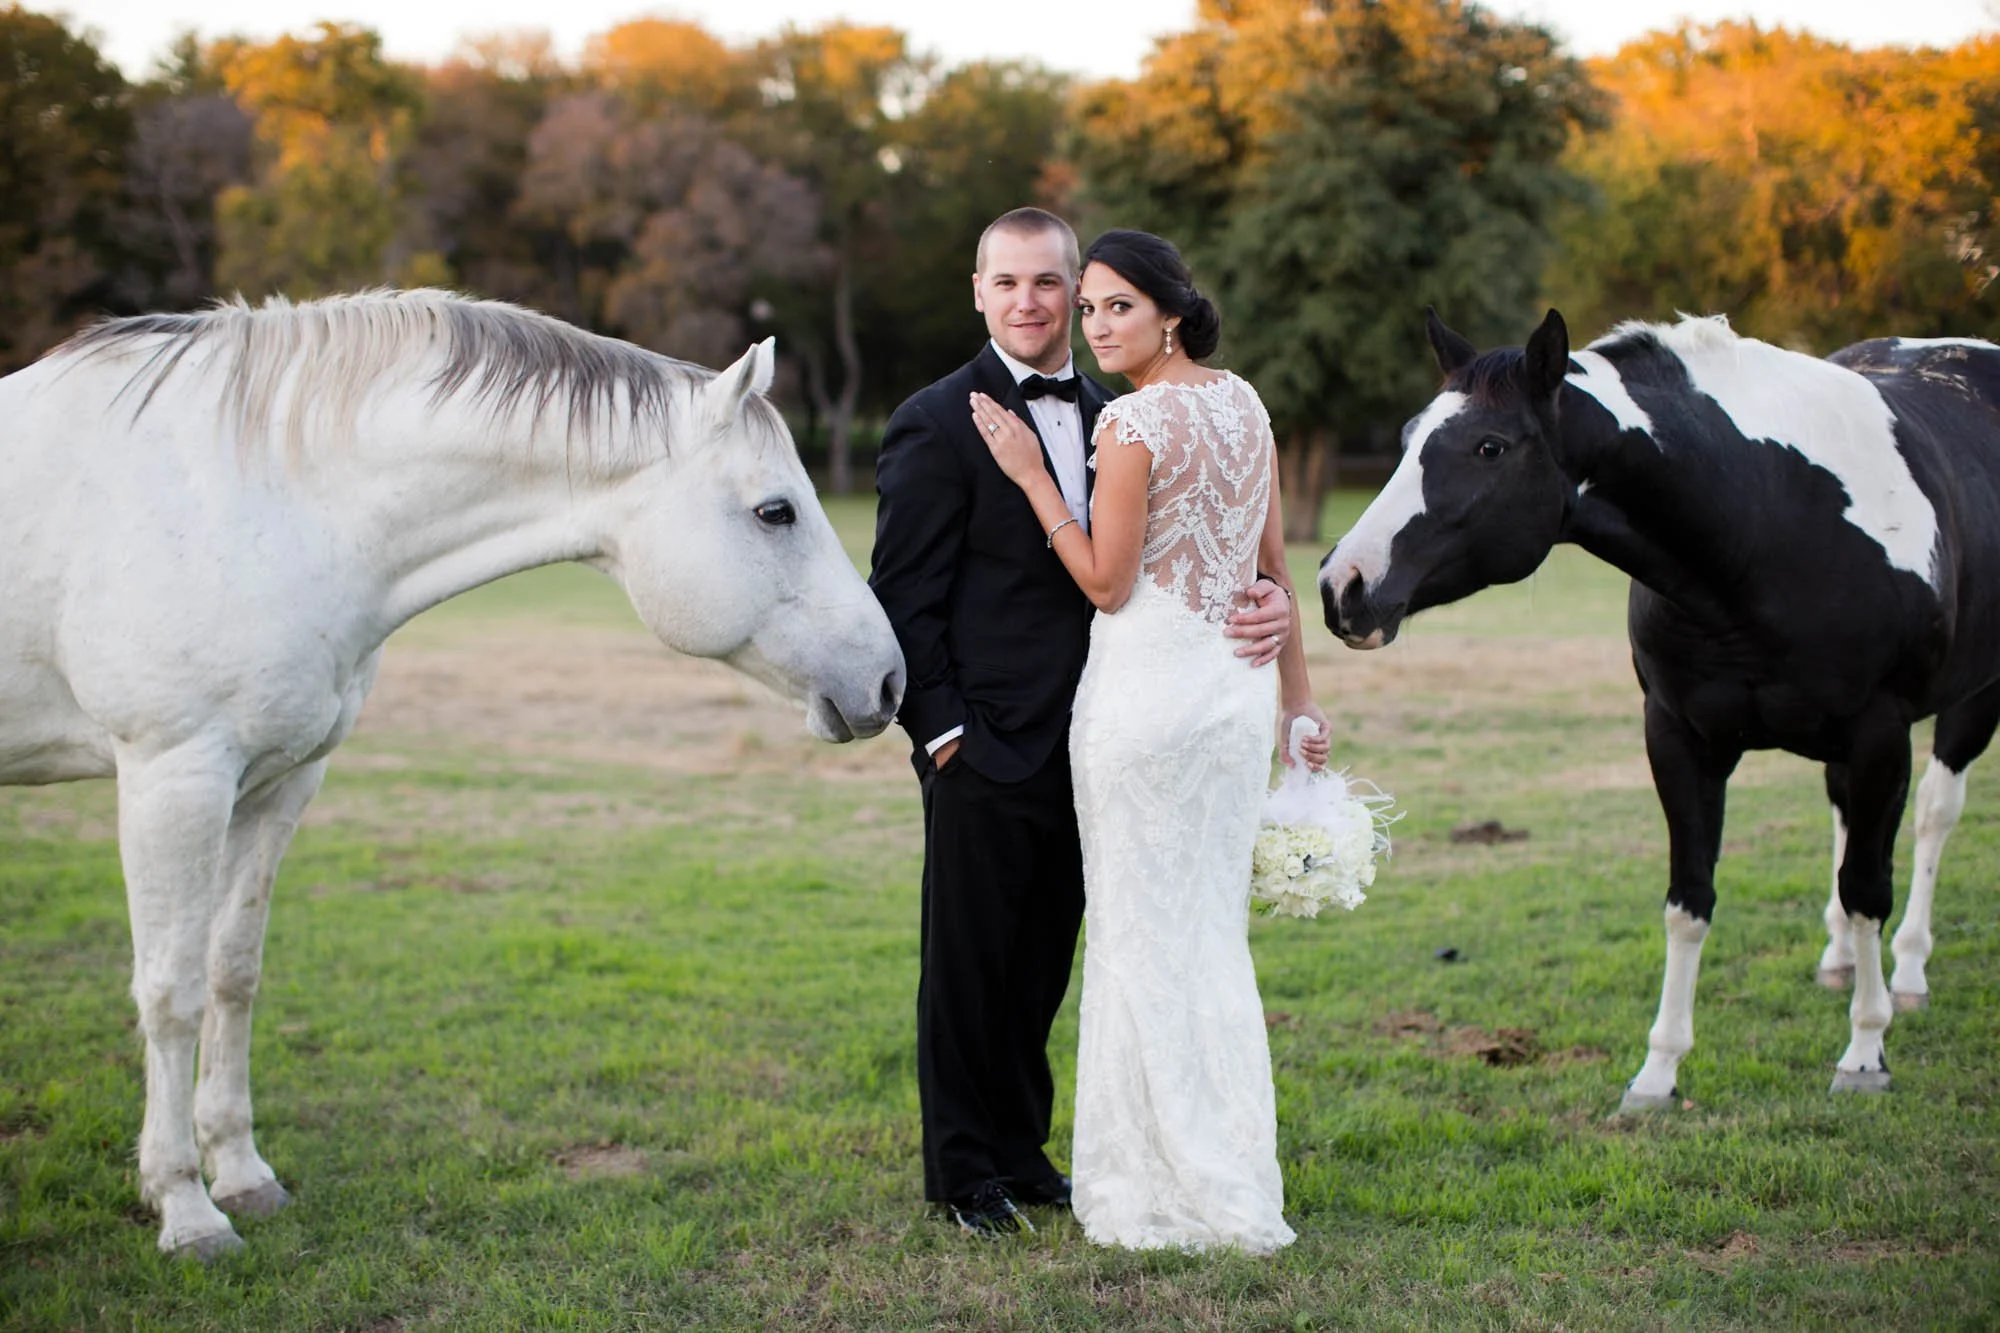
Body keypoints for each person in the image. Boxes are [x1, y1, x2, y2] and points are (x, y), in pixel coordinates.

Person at [869, 208, 1299, 1238]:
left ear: (1077, 293)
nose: (1029, 301)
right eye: (1006, 283)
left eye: (1049, 284)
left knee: (1051, 965)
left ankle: (1025, 1155)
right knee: (969, 968)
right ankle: (964, 1173)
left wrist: (1268, 603)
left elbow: (1181, 558)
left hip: (1114, 737)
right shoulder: (935, 420)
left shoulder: (1126, 406)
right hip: (986, 741)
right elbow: (901, 595)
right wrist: (941, 736)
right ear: (977, 291)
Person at [970, 227, 1329, 1253]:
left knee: (1136, 937)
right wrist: (1295, 703)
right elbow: (1270, 572)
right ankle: (1228, 1172)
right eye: (1086, 309)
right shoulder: (1245, 402)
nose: (1093, 325)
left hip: (1141, 708)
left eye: (1114, 305)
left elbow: (1104, 581)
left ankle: (1159, 1182)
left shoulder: (1129, 424)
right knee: (1209, 937)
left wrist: (1033, 477)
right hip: (1227, 705)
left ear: (1171, 310)